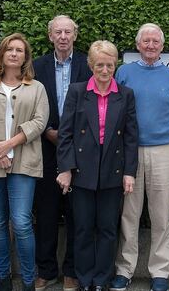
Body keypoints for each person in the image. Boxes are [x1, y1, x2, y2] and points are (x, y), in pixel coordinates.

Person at [110, 23, 169, 291]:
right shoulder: (124, 72)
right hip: (130, 152)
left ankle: (159, 272)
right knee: (129, 214)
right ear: (137, 45)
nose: (150, 45)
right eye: (146, 41)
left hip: (164, 152)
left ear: (162, 46)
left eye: (155, 41)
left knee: (160, 214)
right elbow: (113, 109)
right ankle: (124, 269)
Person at [55, 40, 138, 291]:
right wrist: (65, 169)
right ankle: (84, 278)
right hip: (82, 170)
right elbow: (65, 134)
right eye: (100, 65)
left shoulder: (125, 95)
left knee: (107, 229)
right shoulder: (77, 91)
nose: (104, 70)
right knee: (81, 229)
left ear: (115, 66)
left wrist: (129, 173)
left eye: (109, 65)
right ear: (91, 65)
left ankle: (101, 280)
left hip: (112, 171)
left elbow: (132, 138)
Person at [0, 33, 49, 291]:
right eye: (10, 49)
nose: (14, 54)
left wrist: (9, 144)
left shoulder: (36, 87)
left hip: (24, 163)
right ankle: (3, 278)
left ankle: (28, 280)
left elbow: (40, 121)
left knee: (22, 221)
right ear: (2, 55)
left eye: (20, 50)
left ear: (26, 56)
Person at [32, 16, 91, 291]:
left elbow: (94, 105)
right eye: (59, 32)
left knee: (77, 215)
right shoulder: (37, 66)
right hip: (44, 148)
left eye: (68, 31)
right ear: (50, 36)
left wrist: (69, 136)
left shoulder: (87, 65)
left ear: (75, 36)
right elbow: (29, 104)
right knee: (45, 213)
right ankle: (46, 269)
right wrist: (45, 130)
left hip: (79, 151)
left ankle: (72, 271)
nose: (64, 36)